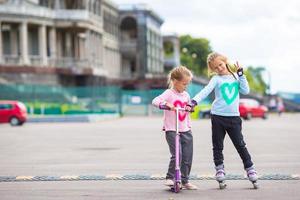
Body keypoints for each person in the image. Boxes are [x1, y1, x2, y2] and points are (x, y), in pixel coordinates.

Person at [186, 52, 258, 187]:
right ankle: (219, 169)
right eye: (215, 68)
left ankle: (250, 169)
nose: (219, 68)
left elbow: (245, 90)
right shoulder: (216, 79)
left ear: (225, 61)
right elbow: (205, 91)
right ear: (212, 70)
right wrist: (194, 101)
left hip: (234, 118)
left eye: (220, 64)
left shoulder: (236, 77)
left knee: (240, 145)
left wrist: (241, 75)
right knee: (217, 146)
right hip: (218, 117)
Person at [152, 66, 198, 190]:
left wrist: (190, 108)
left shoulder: (186, 95)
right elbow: (155, 101)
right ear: (175, 81)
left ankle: (185, 180)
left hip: (186, 129)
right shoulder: (169, 93)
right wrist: (166, 104)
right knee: (177, 154)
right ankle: (170, 177)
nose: (186, 86)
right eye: (184, 84)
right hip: (172, 129)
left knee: (188, 155)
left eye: (187, 84)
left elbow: (189, 109)